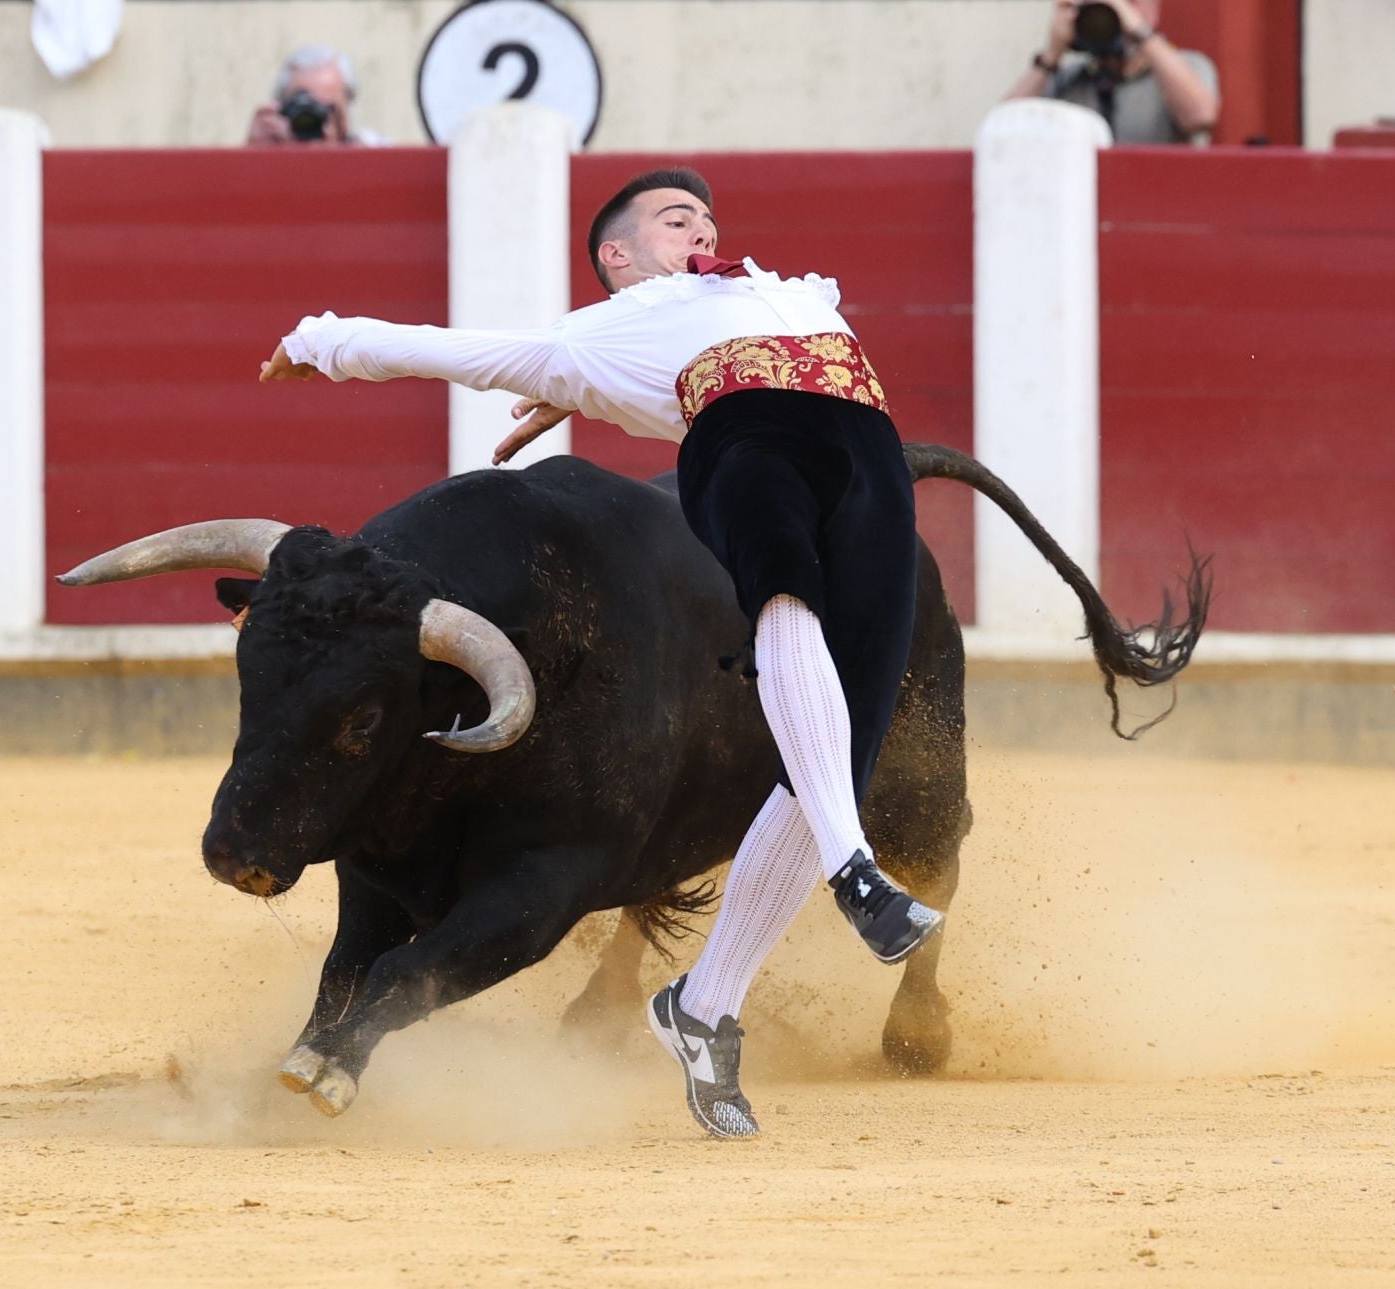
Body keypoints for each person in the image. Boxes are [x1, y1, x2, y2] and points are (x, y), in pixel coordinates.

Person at [257, 169, 944, 1140]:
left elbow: (718, 354)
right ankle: (854, 868)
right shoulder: (608, 329)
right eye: (674, 220)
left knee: (838, 742)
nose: (701, 230)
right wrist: (320, 340)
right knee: (784, 588)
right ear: (617, 257)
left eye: (707, 217)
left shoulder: (792, 291)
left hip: (870, 455)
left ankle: (704, 1005)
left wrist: (597, 397)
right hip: (746, 443)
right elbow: (464, 352)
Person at [1002, 0, 1219, 145]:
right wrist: (1051, 56)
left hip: (1158, 207)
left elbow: (1200, 115)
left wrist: (1140, 32)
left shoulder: (1189, 66)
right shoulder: (1069, 79)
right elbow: (1002, 131)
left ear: (1155, 11)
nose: (1117, 14)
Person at [245, 44, 388, 148]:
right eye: (300, 107)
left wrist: (358, 163)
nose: (312, 119)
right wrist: (254, 158)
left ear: (347, 109)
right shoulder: (269, 155)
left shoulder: (373, 150)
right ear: (279, 109)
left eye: (326, 109)